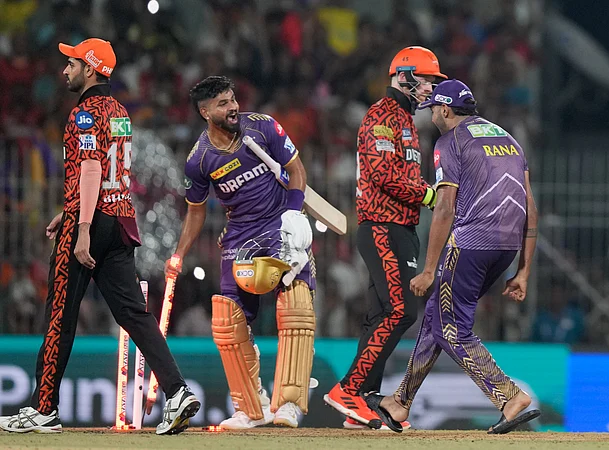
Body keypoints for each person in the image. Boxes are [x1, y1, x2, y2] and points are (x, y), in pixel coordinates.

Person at [0, 38, 199, 435]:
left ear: (89, 69)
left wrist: (82, 227)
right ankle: (177, 391)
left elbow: (91, 170)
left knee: (60, 315)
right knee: (134, 315)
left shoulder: (84, 115)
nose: (65, 70)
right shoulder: (120, 112)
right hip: (121, 221)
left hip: (91, 225)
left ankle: (44, 409)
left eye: (71, 63)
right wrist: (71, 210)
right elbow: (110, 175)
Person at [364, 80, 540, 434]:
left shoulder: (450, 141)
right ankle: (399, 403)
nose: (430, 113)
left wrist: (429, 269)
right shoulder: (508, 138)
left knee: (451, 327)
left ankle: (509, 396)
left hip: (472, 242)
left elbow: (444, 207)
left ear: (445, 109)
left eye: (432, 108)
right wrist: (523, 270)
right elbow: (530, 208)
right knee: (436, 317)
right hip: (506, 246)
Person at [167, 75, 315, 429]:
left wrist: (294, 213)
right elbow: (196, 211)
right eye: (222, 103)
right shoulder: (199, 159)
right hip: (240, 240)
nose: (233, 107)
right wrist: (179, 254)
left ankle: (289, 404)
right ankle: (252, 408)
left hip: (282, 227)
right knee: (228, 320)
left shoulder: (263, 127)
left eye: (232, 100)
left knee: (296, 309)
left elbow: (296, 170)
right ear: (205, 112)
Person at [323, 46, 444, 430]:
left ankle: (363, 401)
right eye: (427, 80)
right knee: (402, 311)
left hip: (399, 228)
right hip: (382, 227)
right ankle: (349, 389)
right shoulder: (381, 116)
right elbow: (384, 174)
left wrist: (425, 195)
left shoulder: (405, 119)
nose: (430, 89)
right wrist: (430, 195)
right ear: (405, 75)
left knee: (379, 315)